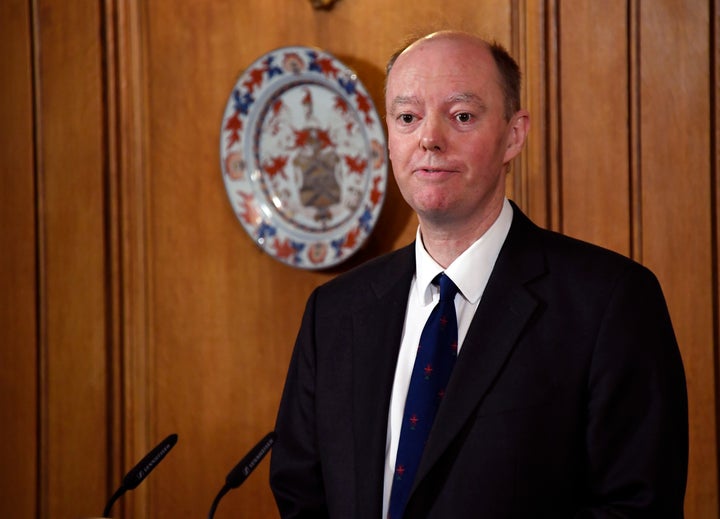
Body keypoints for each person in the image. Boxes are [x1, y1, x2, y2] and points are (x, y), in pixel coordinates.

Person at [269, 30, 688, 518]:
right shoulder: (335, 312)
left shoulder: (610, 302)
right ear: (388, 136)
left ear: (514, 134)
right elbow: (301, 494)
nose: (429, 138)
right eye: (407, 117)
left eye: (461, 116)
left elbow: (638, 506)